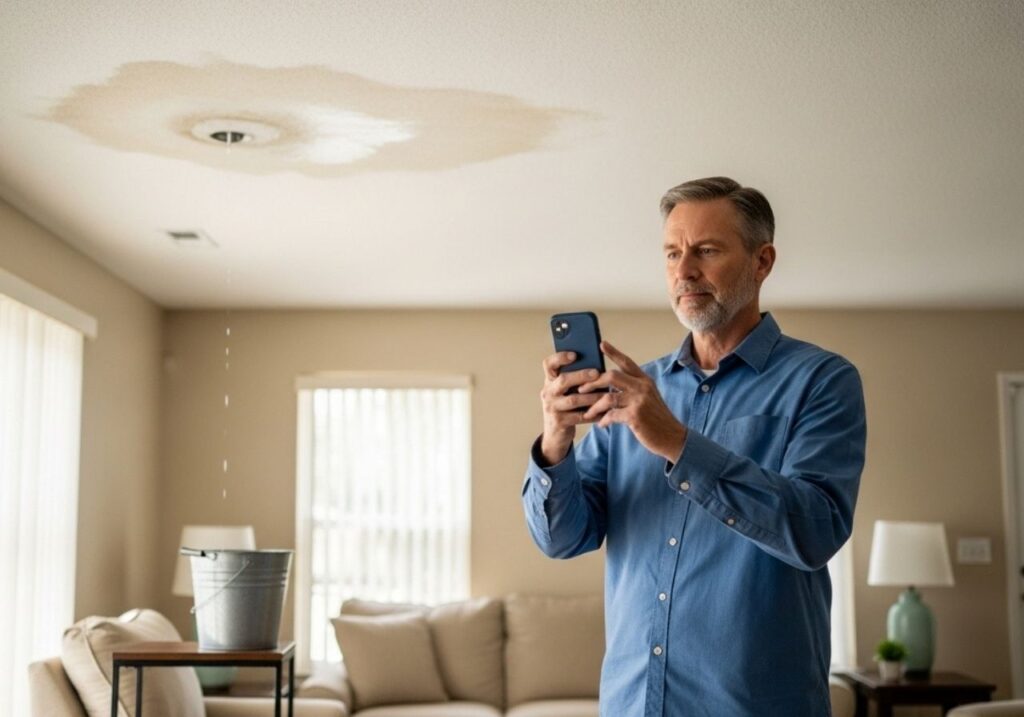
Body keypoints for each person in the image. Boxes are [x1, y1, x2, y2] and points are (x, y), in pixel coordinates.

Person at [522, 177, 867, 716]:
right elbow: (563, 539)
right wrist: (557, 438)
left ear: (762, 261)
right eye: (672, 253)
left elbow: (815, 530)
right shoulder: (633, 391)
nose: (684, 271)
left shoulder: (822, 381)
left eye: (706, 250)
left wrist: (678, 443)